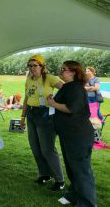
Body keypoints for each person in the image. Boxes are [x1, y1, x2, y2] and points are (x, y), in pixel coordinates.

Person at [47, 61, 96, 206]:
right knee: (72, 167)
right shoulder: (68, 87)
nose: (61, 71)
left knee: (81, 170)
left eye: (64, 69)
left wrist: (53, 104)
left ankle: (87, 203)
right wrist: (53, 100)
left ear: (73, 72)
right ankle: (74, 194)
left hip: (78, 135)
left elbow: (72, 108)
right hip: (68, 134)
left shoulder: (75, 87)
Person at [20, 54, 65, 191]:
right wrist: (23, 116)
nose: (32, 68)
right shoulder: (29, 79)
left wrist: (55, 102)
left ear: (42, 66)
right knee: (35, 147)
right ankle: (45, 174)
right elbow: (26, 98)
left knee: (47, 149)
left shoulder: (49, 78)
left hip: (45, 115)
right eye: (30, 65)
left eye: (35, 65)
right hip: (32, 115)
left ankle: (59, 180)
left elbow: (67, 89)